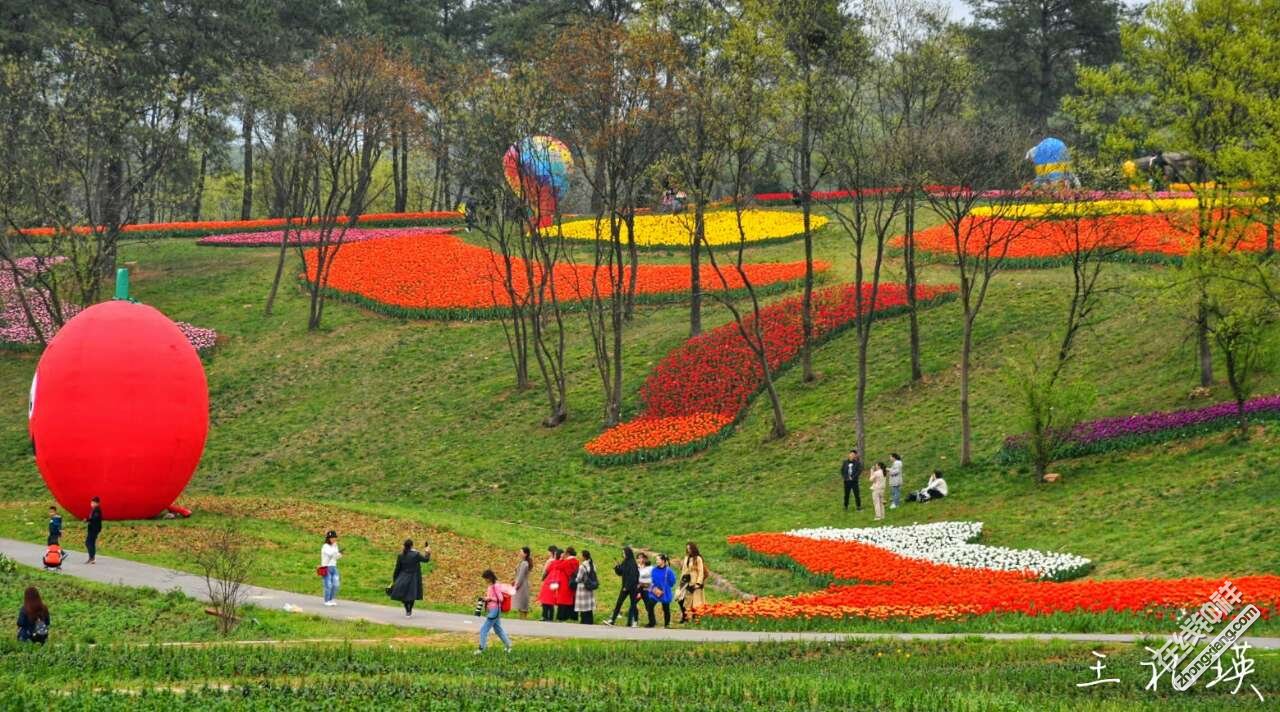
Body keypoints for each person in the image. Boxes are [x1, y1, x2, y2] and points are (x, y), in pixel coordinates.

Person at [388, 539, 431, 617]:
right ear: (412, 545)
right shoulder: (416, 554)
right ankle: (409, 610)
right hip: (413, 577)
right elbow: (426, 560)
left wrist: (395, 579)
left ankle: (407, 609)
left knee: (403, 595)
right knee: (412, 595)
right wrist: (427, 551)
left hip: (402, 576)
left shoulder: (400, 555)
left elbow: (397, 568)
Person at [475, 570, 512, 655]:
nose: (485, 580)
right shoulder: (491, 586)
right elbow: (491, 597)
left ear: (490, 577)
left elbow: (500, 599)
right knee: (498, 630)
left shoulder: (496, 586)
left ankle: (482, 649)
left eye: (486, 579)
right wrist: (486, 598)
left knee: (483, 630)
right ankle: (509, 646)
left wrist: (490, 599)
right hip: (492, 610)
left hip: (495, 610)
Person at [604, 546, 639, 627]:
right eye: (622, 553)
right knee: (619, 603)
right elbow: (621, 573)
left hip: (632, 587)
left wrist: (627, 587)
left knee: (633, 604)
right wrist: (616, 567)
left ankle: (636, 621)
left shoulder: (632, 563)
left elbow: (633, 577)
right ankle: (612, 620)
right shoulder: (625, 562)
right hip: (625, 586)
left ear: (628, 553)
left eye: (624, 553)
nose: (623, 554)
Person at [677, 542, 707, 624]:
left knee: (696, 602)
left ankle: (695, 619)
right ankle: (685, 616)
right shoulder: (686, 558)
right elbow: (684, 570)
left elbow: (701, 572)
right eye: (687, 548)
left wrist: (698, 583)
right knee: (682, 600)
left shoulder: (698, 558)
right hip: (686, 582)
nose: (688, 550)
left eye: (690, 548)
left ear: (693, 549)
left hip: (695, 583)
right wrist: (681, 582)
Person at [646, 553, 677, 628]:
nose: (656, 561)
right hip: (655, 591)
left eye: (658, 560)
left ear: (663, 561)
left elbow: (672, 581)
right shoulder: (654, 569)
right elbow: (651, 579)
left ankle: (667, 624)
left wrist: (666, 586)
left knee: (666, 608)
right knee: (649, 605)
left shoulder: (668, 571)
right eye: (656, 560)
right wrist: (654, 587)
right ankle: (652, 622)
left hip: (665, 593)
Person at [538, 546, 562, 622]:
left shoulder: (552, 562)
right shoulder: (562, 563)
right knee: (551, 601)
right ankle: (550, 617)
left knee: (545, 600)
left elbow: (546, 571)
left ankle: (544, 616)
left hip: (549, 582)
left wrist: (542, 578)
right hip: (556, 583)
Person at [555, 547, 579, 621]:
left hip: (564, 584)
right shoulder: (576, 561)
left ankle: (562, 617)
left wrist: (561, 559)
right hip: (572, 583)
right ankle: (571, 617)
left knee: (563, 601)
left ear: (568, 553)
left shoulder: (567, 562)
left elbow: (557, 566)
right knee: (570, 601)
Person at [574, 550, 597, 624]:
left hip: (583, 587)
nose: (580, 557)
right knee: (589, 605)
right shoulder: (592, 564)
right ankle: (590, 620)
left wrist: (575, 580)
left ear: (584, 556)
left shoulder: (582, 566)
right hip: (590, 586)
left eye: (581, 555)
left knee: (583, 605)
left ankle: (584, 621)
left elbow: (579, 578)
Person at [320, 530, 341, 606]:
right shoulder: (325, 546)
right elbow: (330, 554)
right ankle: (327, 601)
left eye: (334, 538)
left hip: (334, 566)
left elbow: (336, 557)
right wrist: (336, 552)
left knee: (336, 584)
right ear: (328, 538)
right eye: (332, 538)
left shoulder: (335, 546)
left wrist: (340, 554)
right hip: (326, 567)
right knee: (328, 584)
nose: (333, 539)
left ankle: (332, 599)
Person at [513, 547, 532, 619]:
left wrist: (516, 585)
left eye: (521, 552)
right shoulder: (522, 562)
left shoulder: (524, 563)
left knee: (522, 604)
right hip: (521, 584)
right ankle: (521, 619)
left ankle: (523, 620)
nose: (520, 553)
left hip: (522, 585)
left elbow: (521, 576)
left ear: (525, 554)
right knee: (521, 604)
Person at [84, 496, 102, 564]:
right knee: (91, 543)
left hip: (94, 529)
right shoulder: (94, 509)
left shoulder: (97, 510)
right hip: (92, 528)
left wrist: (87, 520)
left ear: (96, 503)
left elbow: (95, 518)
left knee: (88, 542)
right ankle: (92, 558)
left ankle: (91, 557)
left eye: (92, 502)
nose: (91, 504)